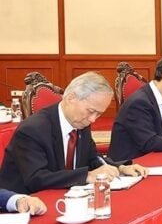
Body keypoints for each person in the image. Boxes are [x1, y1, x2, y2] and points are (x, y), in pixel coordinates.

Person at [0, 72, 146, 194]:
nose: (93, 119)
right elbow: (36, 178)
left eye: (99, 114)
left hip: (63, 196)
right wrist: (87, 176)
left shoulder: (81, 122)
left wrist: (119, 168)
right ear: (71, 98)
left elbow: (93, 158)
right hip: (25, 206)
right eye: (91, 111)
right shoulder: (32, 129)